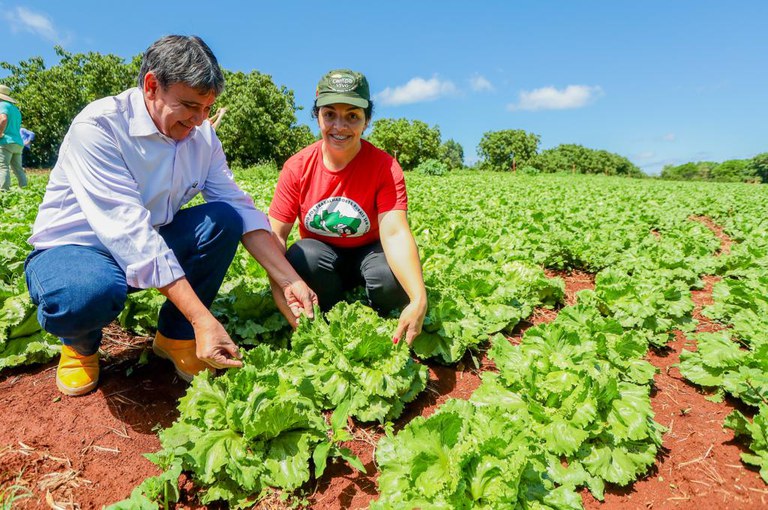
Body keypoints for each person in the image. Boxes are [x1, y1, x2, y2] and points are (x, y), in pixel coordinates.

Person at [25, 35, 316, 397]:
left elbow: (240, 207)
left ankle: (175, 338)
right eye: (190, 105)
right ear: (151, 86)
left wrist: (288, 280)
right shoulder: (99, 127)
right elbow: (129, 234)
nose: (200, 119)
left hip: (149, 243)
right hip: (76, 252)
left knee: (224, 219)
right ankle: (80, 346)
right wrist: (202, 318)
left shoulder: (202, 136)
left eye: (207, 108)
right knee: (85, 294)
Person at [268, 69, 427, 346]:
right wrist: (282, 292)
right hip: (322, 257)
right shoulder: (297, 167)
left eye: (352, 116)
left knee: (389, 279)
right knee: (302, 257)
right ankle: (328, 305)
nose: (340, 126)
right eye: (330, 114)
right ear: (317, 116)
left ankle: (378, 311)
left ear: (366, 120)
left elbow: (395, 234)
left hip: (371, 253)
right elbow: (275, 237)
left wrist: (418, 298)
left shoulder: (384, 167)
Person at [0, 84, 27, 190]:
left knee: (3, 167)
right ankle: (24, 188)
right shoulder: (15, 109)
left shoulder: (2, 105)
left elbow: (3, 119)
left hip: (6, 141)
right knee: (18, 169)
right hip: (18, 142)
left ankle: (3, 192)